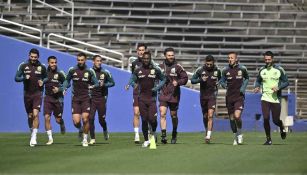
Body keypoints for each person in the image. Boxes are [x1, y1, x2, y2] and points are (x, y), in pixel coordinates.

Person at [128, 51, 166, 147]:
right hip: (141, 99)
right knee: (144, 120)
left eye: (147, 58)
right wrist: (134, 85)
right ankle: (146, 140)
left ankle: (152, 133)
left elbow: (164, 79)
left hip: (152, 99)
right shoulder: (138, 70)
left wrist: (157, 87)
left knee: (153, 120)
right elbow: (131, 80)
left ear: (150, 59)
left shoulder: (155, 70)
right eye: (144, 58)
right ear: (142, 59)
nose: (145, 60)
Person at [63, 52, 99, 147]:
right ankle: (80, 129)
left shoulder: (90, 71)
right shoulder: (72, 70)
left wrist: (92, 86)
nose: (80, 62)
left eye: (82, 60)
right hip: (75, 99)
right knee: (77, 122)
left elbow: (96, 83)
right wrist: (64, 88)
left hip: (86, 98)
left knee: (85, 118)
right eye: (78, 60)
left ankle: (85, 139)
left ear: (85, 60)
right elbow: (67, 80)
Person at [254, 51, 289, 145]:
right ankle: (268, 139)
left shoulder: (279, 69)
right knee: (265, 118)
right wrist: (257, 86)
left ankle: (281, 127)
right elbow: (258, 81)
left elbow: (286, 82)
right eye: (265, 59)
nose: (267, 61)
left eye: (269, 59)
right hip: (265, 98)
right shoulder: (262, 70)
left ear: (272, 59)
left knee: (275, 120)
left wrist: (278, 87)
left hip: (275, 99)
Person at [15, 48, 47, 147]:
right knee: (30, 116)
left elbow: (46, 77)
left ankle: (34, 137)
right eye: (32, 57)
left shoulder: (42, 66)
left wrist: (43, 81)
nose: (33, 59)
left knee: (36, 114)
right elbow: (16, 78)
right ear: (29, 56)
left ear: (38, 57)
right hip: (27, 94)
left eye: (35, 57)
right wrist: (24, 78)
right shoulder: (23, 65)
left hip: (38, 93)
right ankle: (31, 130)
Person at [158, 47, 188, 144]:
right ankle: (163, 136)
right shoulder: (160, 67)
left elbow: (185, 78)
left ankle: (174, 132)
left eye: (172, 55)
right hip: (163, 94)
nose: (171, 57)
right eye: (169, 55)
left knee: (173, 115)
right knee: (162, 113)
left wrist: (178, 82)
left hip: (174, 95)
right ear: (165, 56)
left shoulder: (178, 67)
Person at [220, 52, 249, 145]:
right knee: (232, 118)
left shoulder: (242, 68)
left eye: (232, 58)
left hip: (239, 96)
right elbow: (222, 80)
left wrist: (243, 88)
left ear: (236, 59)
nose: (230, 59)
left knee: (237, 116)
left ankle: (240, 132)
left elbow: (247, 78)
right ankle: (235, 136)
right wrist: (224, 85)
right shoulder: (225, 70)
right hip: (229, 97)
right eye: (228, 58)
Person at [191, 55, 221, 143]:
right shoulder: (200, 70)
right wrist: (200, 79)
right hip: (203, 96)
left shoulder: (217, 70)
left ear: (213, 63)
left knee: (210, 115)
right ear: (205, 62)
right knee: (205, 116)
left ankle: (208, 135)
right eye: (207, 64)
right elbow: (192, 80)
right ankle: (206, 130)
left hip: (212, 95)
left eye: (210, 64)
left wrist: (220, 82)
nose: (209, 66)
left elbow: (222, 79)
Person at [89, 55, 115, 145]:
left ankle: (105, 129)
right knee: (91, 118)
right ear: (93, 62)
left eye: (100, 61)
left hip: (101, 99)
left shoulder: (105, 72)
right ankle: (92, 138)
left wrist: (104, 85)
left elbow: (112, 83)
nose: (99, 62)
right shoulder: (89, 72)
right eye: (97, 61)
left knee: (101, 120)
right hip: (91, 99)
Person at [125, 43, 147, 143]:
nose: (141, 52)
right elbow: (133, 77)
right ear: (137, 51)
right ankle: (137, 135)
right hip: (137, 91)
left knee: (147, 115)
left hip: (147, 92)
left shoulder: (151, 63)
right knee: (136, 113)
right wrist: (132, 85)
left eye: (143, 50)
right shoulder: (134, 63)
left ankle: (151, 133)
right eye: (139, 50)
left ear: (146, 51)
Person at [43, 56, 66, 145]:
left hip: (58, 99)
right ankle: (50, 138)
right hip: (48, 98)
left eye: (55, 62)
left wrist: (60, 89)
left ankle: (61, 122)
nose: (54, 64)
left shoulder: (60, 73)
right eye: (52, 63)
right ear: (48, 63)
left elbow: (67, 83)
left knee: (57, 120)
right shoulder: (44, 72)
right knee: (46, 117)